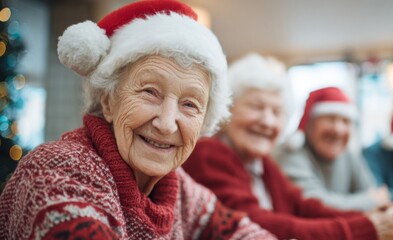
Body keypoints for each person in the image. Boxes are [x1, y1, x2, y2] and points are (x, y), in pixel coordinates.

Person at [0, 1, 276, 239]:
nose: (167, 124)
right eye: (150, 92)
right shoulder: (58, 168)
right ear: (108, 100)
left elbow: (239, 231)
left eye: (190, 104)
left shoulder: (176, 186)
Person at [184, 53, 393, 240]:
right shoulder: (209, 153)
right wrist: (365, 227)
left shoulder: (261, 163)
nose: (267, 121)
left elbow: (304, 206)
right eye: (256, 107)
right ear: (228, 111)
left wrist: (377, 216)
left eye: (276, 112)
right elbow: (256, 222)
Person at [274, 87, 390, 211]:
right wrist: (370, 201)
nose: (338, 130)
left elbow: (372, 191)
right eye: (330, 119)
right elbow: (314, 204)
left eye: (345, 121)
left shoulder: (348, 155)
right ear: (310, 123)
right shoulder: (291, 153)